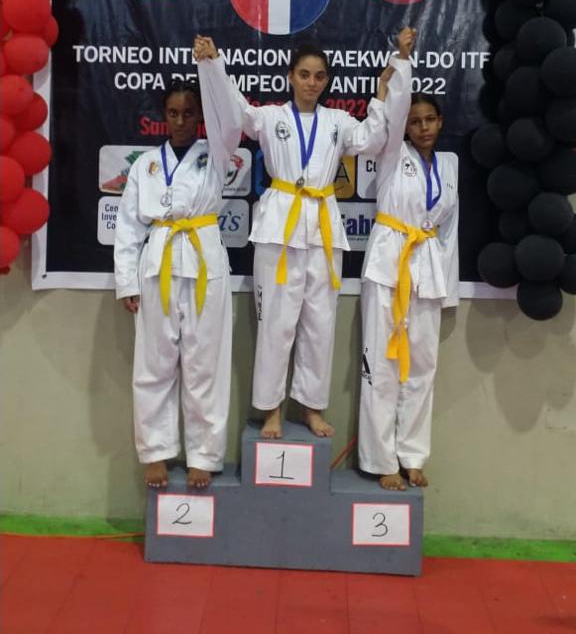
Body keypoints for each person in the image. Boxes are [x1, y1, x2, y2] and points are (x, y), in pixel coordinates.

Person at [193, 29, 416, 441]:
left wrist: (386, 89)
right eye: (304, 74)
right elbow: (236, 110)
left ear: (326, 81)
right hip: (279, 227)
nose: (312, 83)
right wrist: (213, 63)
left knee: (320, 323)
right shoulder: (271, 117)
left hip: (323, 229)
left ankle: (312, 407)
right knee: (276, 325)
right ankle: (271, 410)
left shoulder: (338, 122)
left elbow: (373, 139)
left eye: (319, 76)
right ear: (290, 77)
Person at [114, 79, 242, 489]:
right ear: (163, 116)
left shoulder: (217, 151)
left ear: (201, 116)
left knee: (206, 364)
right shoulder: (145, 165)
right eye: (173, 113)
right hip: (159, 264)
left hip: (204, 262)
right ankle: (156, 451)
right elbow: (128, 227)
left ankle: (205, 454)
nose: (182, 121)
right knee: (155, 364)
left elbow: (231, 117)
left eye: (189, 113)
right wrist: (127, 282)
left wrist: (210, 68)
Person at [358, 59, 459, 491]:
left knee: (422, 367)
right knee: (382, 365)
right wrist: (401, 66)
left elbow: (450, 232)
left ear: (441, 121)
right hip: (388, 263)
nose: (423, 127)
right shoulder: (390, 152)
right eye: (415, 121)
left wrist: (448, 288)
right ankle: (381, 460)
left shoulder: (450, 165)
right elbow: (392, 114)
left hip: (428, 266)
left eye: (430, 119)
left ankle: (412, 456)